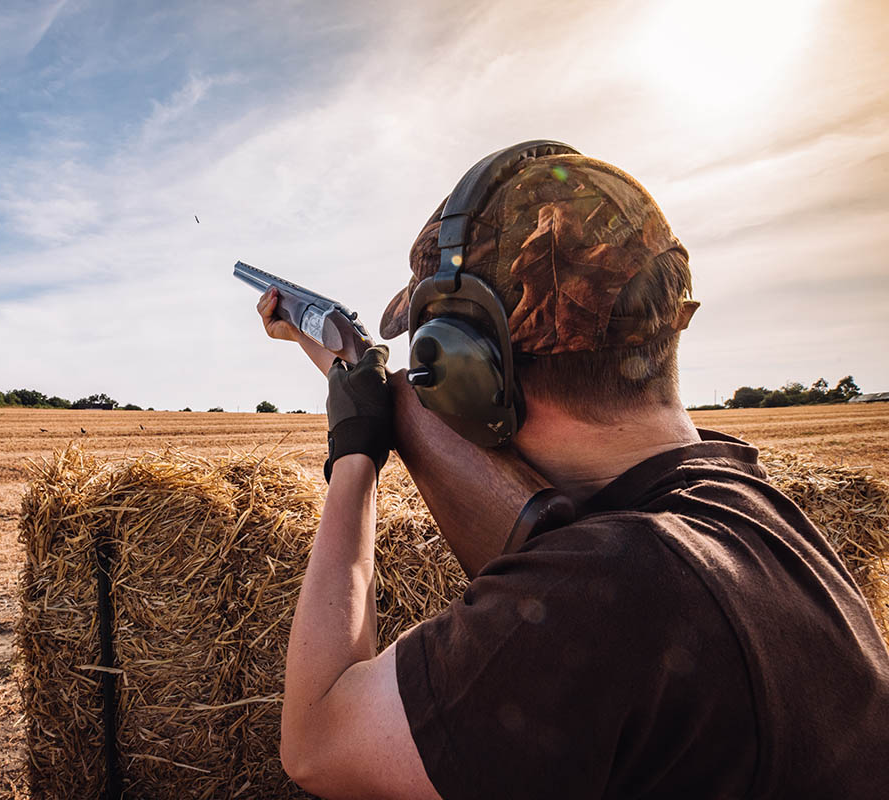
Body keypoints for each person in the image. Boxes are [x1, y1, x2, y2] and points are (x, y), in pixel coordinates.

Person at [255, 143, 889, 799]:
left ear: (472, 371)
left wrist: (356, 447)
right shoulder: (749, 503)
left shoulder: (605, 591)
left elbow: (317, 742)